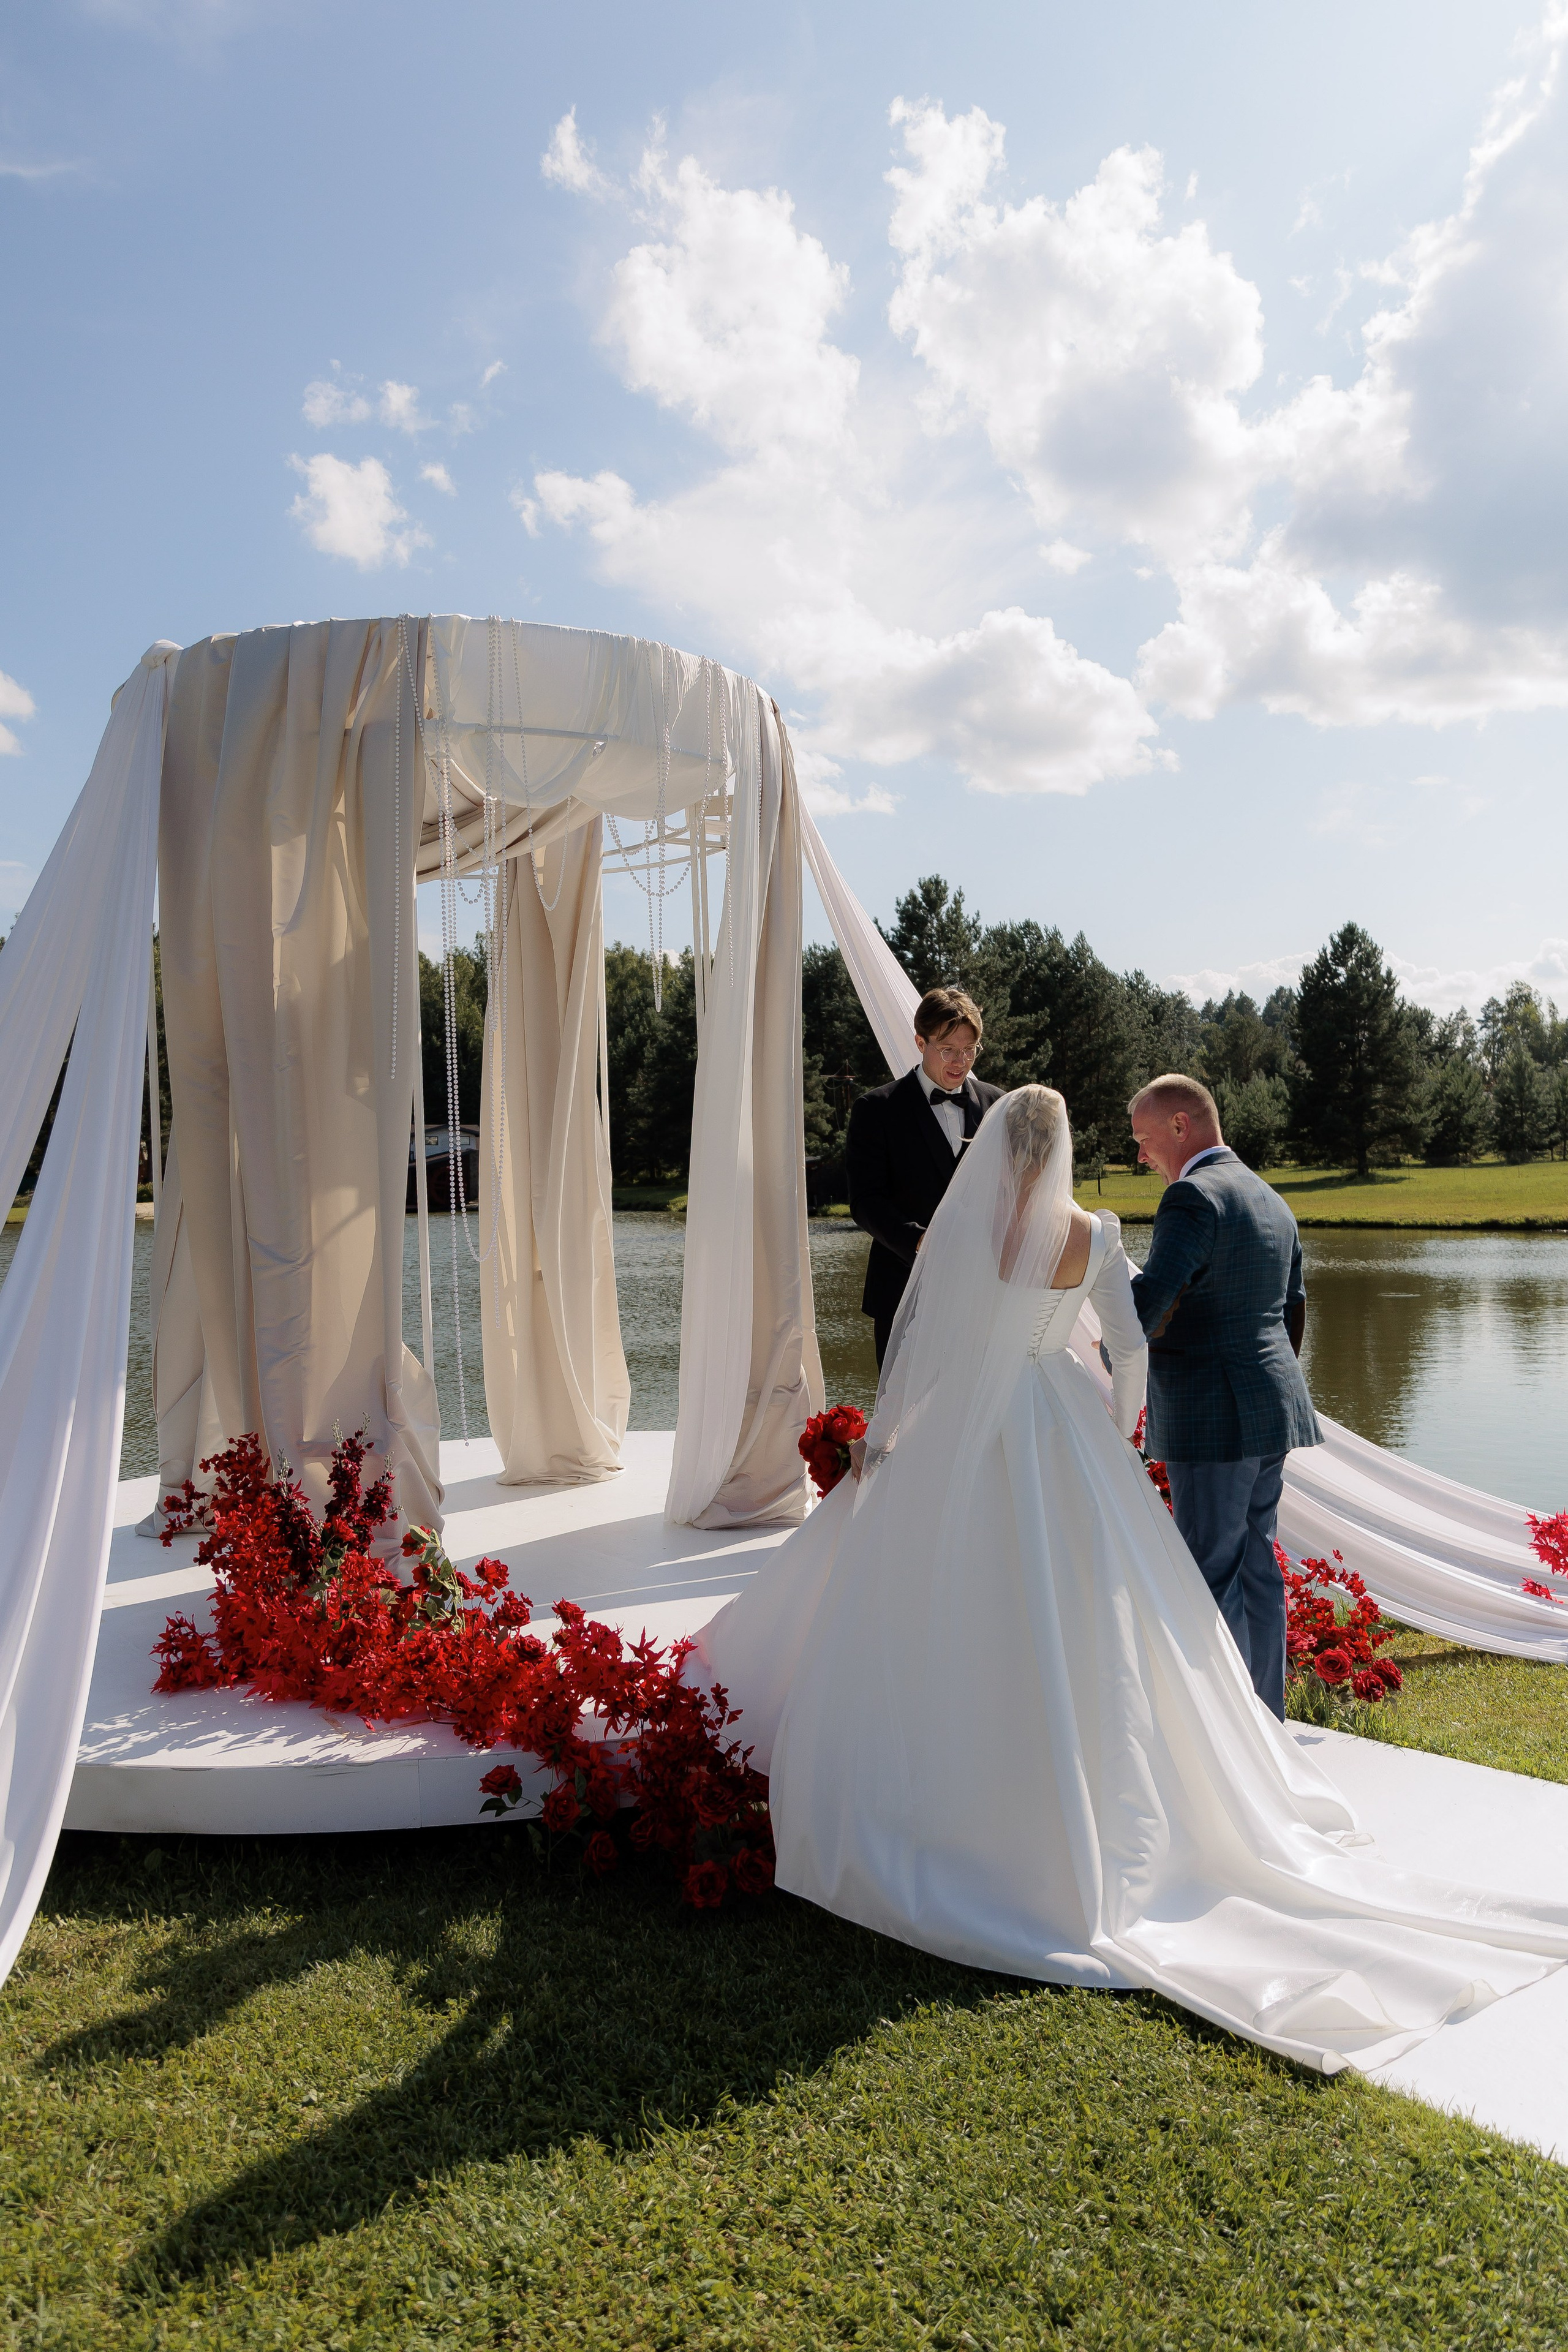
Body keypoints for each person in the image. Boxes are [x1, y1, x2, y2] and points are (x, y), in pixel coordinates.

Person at [695, 1086, 1568, 2076]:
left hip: (967, 1430)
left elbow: (919, 1356)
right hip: (1063, 1423)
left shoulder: (968, 1231)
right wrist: (1114, 1442)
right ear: (1065, 1149)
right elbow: (1131, 1349)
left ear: (993, 1151)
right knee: (1099, 1618)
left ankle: (948, 1785)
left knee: (949, 1602)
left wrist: (885, 1445)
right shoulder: (1097, 1231)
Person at [1127, 1076, 1321, 1719]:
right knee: (1257, 1564)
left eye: (1143, 1139)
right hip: (1272, 1405)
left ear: (1180, 1127)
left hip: (1212, 1414)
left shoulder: (1191, 1198)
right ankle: (1266, 1721)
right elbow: (1292, 1312)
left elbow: (1150, 1303)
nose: (1139, 1155)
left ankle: (1227, 1738)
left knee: (1207, 1573)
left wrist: (1108, 1347)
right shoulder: (1270, 1199)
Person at [846, 987, 1003, 1366]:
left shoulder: (999, 1104)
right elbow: (865, 1202)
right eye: (948, 1049)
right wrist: (919, 1242)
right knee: (901, 1417)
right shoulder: (876, 1109)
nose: (960, 1061)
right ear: (920, 1041)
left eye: (970, 1050)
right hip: (903, 1289)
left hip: (982, 1295)